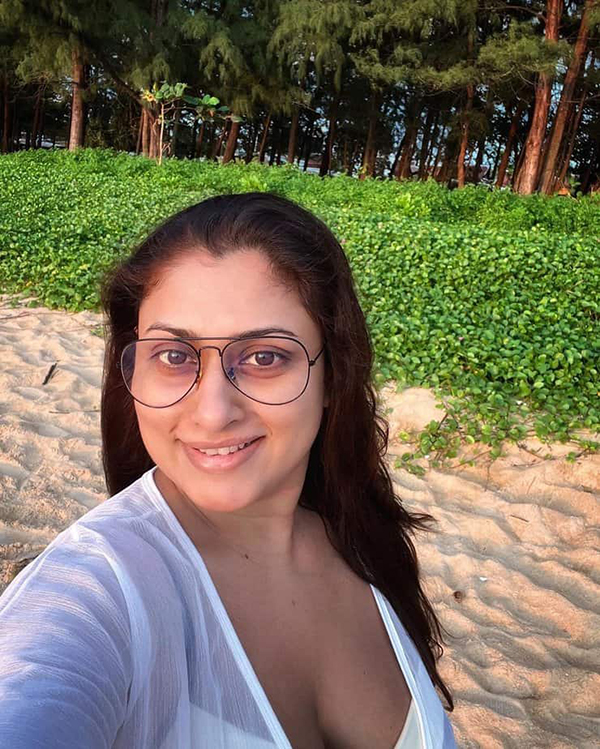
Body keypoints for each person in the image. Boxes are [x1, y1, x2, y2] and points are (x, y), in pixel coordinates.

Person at [0, 192, 456, 748]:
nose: (214, 413)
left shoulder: (362, 539)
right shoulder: (94, 590)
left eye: (264, 357)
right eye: (173, 356)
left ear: (333, 375)